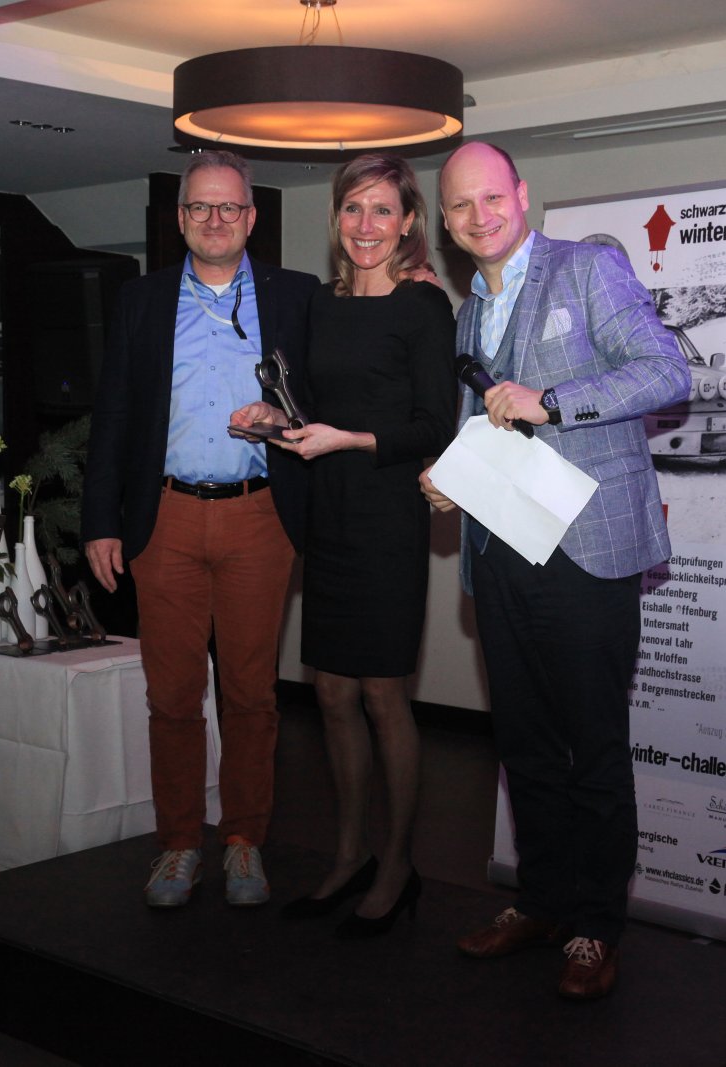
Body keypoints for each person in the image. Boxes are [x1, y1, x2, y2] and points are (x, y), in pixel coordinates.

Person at [420, 142, 690, 1000]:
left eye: (491, 197)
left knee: (593, 746)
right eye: (460, 206)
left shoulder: (586, 271)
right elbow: (486, 426)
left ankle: (595, 926)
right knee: (525, 742)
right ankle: (540, 902)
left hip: (587, 552)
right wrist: (451, 479)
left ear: (522, 194)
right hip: (500, 550)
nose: (479, 216)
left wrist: (555, 403)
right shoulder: (469, 314)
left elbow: (666, 370)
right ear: (447, 222)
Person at [81, 149, 317, 909]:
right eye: (199, 207)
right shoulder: (141, 300)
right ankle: (179, 843)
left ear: (251, 218)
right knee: (174, 695)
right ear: (181, 219)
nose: (215, 219)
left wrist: (283, 418)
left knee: (251, 693)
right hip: (165, 519)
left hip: (259, 514)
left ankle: (244, 839)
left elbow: (327, 401)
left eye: (229, 207)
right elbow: (114, 413)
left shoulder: (297, 296)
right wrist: (101, 522)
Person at [232, 154, 455, 938]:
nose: (367, 225)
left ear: (408, 222)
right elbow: (310, 409)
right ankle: (350, 852)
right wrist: (272, 420)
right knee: (329, 691)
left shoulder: (424, 306)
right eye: (354, 208)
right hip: (327, 512)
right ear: (336, 218)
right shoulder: (321, 305)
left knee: (383, 694)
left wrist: (350, 439)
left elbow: (435, 425)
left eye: (383, 210)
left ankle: (397, 864)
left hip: (388, 515)